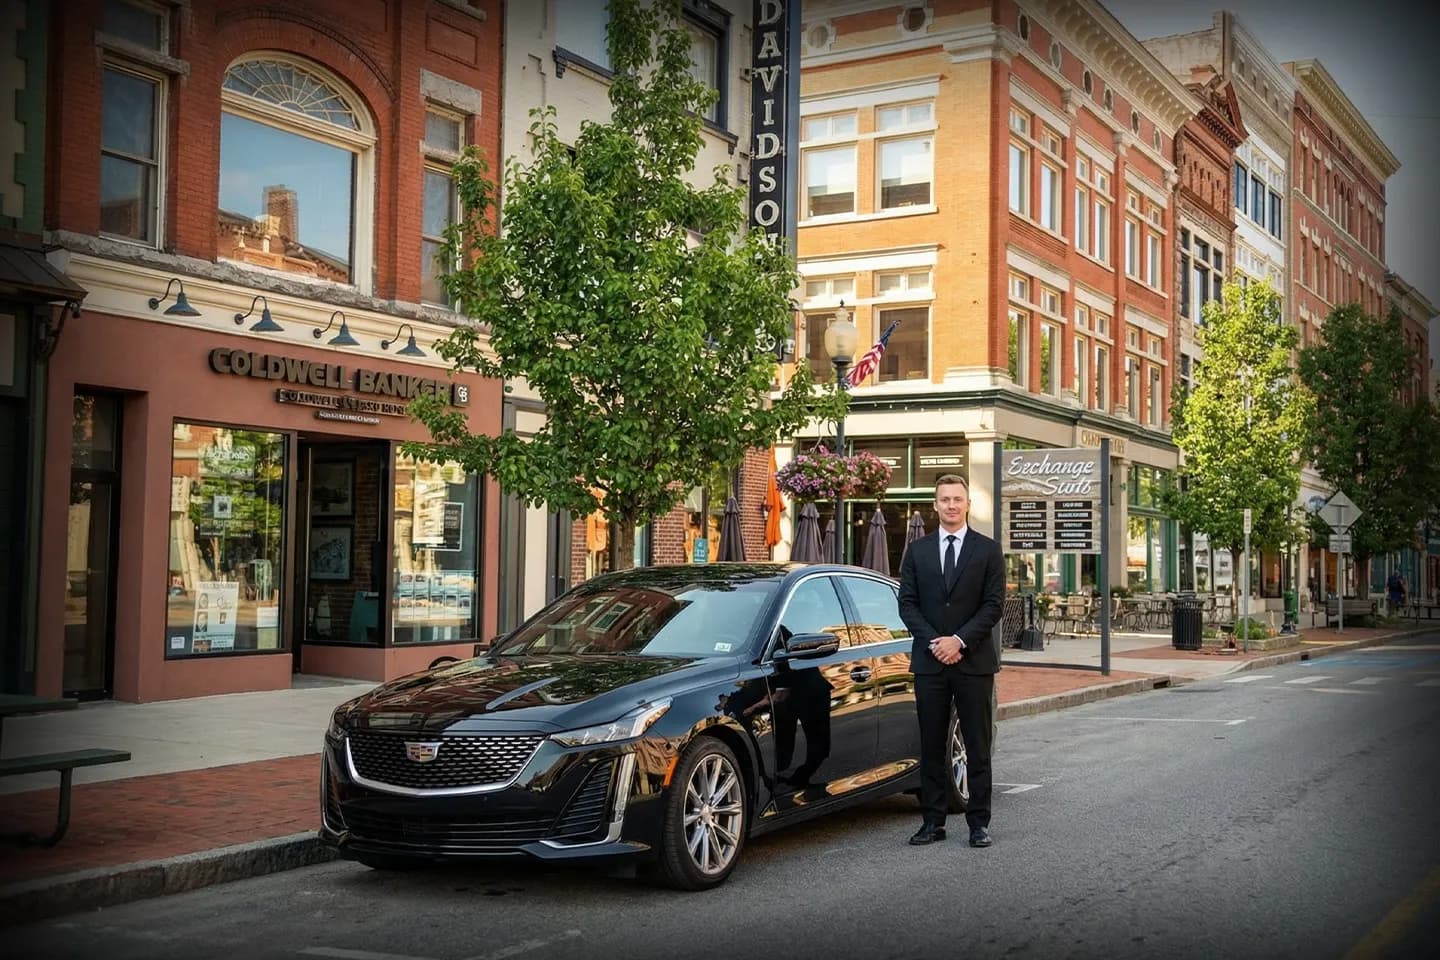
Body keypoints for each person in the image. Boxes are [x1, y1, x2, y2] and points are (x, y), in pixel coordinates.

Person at [898, 473, 1005, 848]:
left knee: (976, 745)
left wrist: (958, 641)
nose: (951, 505)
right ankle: (933, 822)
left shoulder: (988, 550)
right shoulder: (917, 551)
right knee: (930, 744)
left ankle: (979, 823)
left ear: (967, 504)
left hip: (973, 662)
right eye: (944, 499)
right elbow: (906, 604)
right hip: (930, 664)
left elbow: (993, 605)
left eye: (957, 499)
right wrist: (935, 643)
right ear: (935, 505)